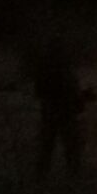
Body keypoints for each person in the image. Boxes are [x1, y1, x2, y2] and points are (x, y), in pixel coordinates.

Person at [31, 36, 90, 178]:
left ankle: (41, 175)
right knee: (71, 146)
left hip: (50, 112)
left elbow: (38, 91)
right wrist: (81, 100)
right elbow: (71, 89)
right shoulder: (64, 68)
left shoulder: (44, 67)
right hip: (65, 112)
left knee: (46, 147)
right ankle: (73, 175)